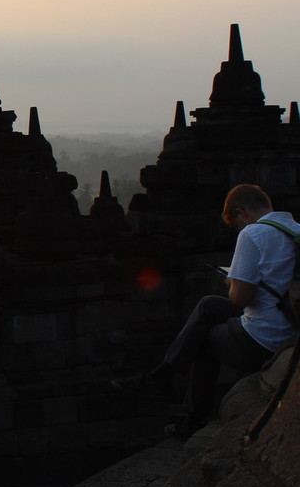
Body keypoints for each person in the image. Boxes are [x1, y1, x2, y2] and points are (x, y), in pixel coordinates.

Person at [113, 184, 299, 437]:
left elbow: (239, 299)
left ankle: (191, 416)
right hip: (290, 328)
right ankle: (162, 377)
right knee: (209, 305)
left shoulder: (253, 234)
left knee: (204, 337)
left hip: (265, 339)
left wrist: (231, 281)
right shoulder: (295, 230)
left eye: (238, 225)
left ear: (242, 212)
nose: (240, 229)